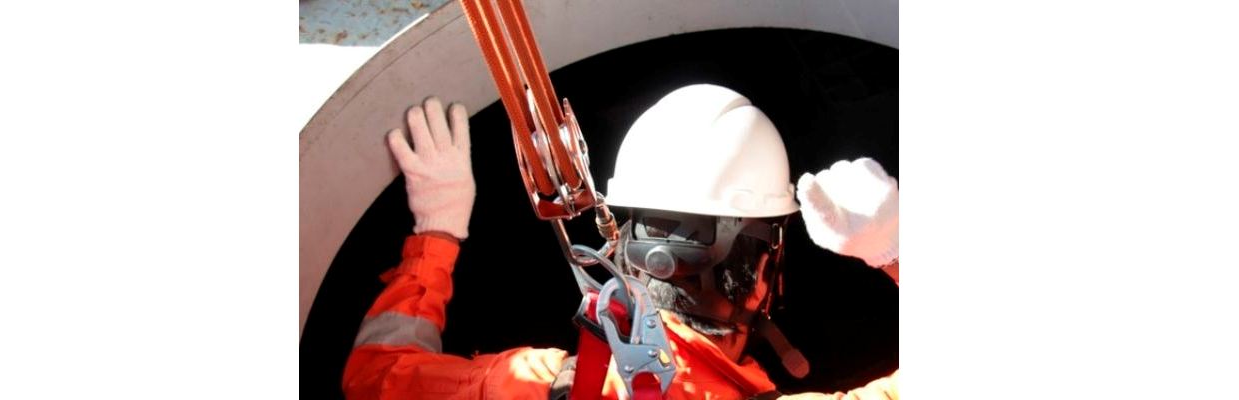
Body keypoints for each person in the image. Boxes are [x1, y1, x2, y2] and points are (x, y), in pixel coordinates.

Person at [342, 84, 900, 399]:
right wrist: (895, 251)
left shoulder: (541, 386)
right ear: (759, 272)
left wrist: (437, 232)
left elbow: (373, 378)